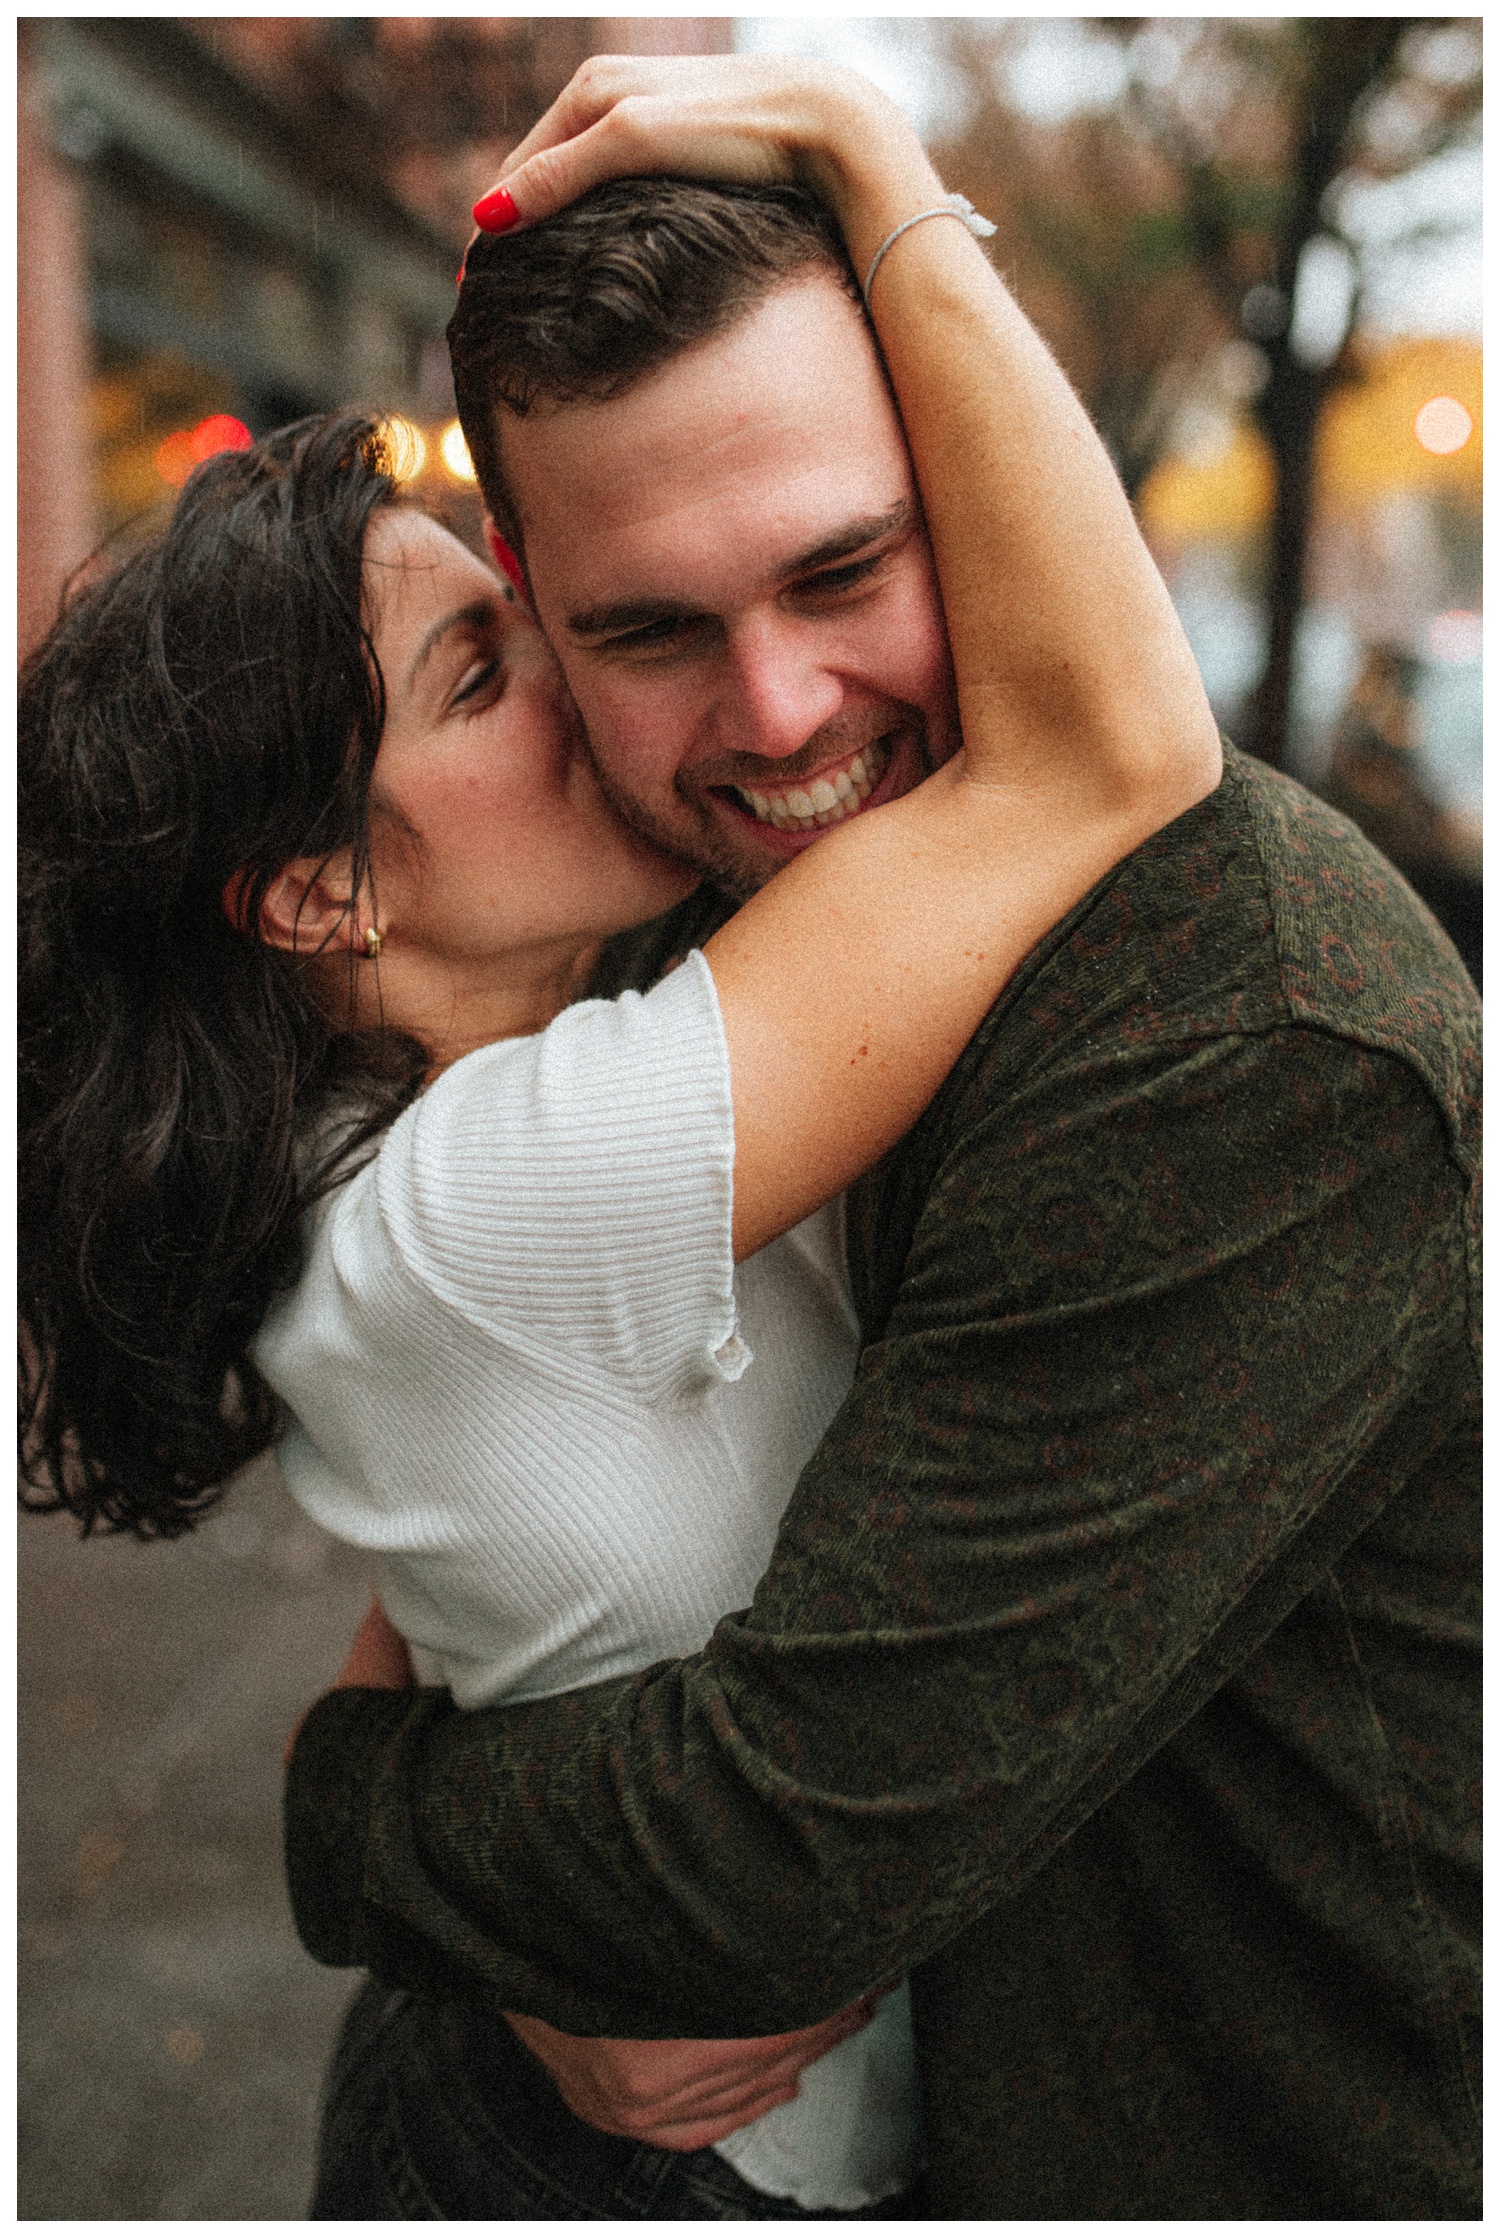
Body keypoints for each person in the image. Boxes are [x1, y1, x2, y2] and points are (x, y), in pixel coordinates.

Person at [17, 61, 1220, 2228]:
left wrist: (487, 1896)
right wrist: (877, 170)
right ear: (318, 897)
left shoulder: (413, 1161)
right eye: (487, 675)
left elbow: (426, 1645)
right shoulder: (495, 1200)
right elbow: (1113, 750)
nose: (593, 688)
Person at [283, 55, 1482, 2221]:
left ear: (973, 485)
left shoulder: (1241, 1026)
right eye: (645, 629)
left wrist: (364, 1825)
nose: (779, 716)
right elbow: (473, 1553)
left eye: (848, 570)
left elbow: (773, 1859)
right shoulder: (666, 944)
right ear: (533, 612)